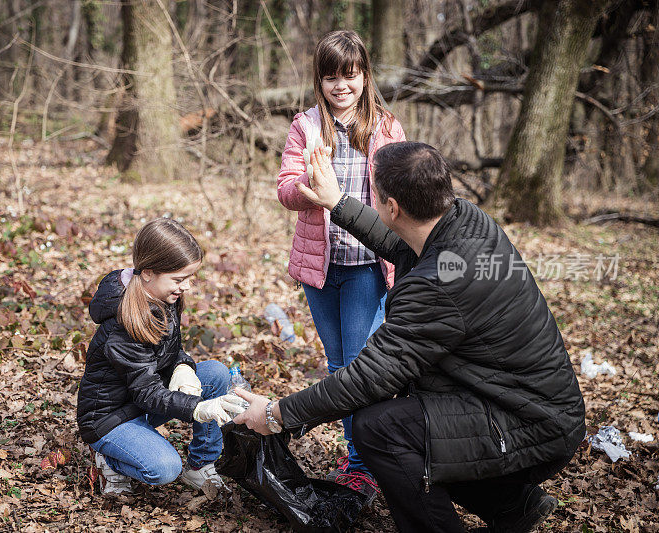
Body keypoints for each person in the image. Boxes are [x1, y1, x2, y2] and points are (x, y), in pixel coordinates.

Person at [235, 141, 586, 532]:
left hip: (531, 423)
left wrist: (276, 415)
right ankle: (511, 507)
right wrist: (338, 202)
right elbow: (400, 247)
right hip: (525, 403)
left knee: (381, 430)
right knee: (409, 418)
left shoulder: (439, 286)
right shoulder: (464, 221)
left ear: (392, 207)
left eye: (375, 194)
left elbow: (368, 377)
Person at [276, 29, 406, 496]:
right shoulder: (306, 126)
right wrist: (308, 182)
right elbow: (285, 189)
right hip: (320, 267)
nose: (340, 86)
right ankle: (358, 449)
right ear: (320, 81)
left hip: (368, 267)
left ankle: (363, 463)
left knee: (357, 365)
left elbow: (401, 190)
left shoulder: (386, 127)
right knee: (336, 366)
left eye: (349, 76)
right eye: (331, 77)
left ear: (365, 77)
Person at [76, 218, 245, 496]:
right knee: (164, 469)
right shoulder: (124, 322)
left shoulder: (163, 296)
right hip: (111, 417)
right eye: (179, 279)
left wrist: (182, 366)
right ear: (148, 273)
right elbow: (146, 392)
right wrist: (196, 409)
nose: (187, 287)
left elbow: (167, 351)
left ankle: (201, 464)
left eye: (190, 278)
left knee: (214, 373)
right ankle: (110, 459)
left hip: (141, 400)